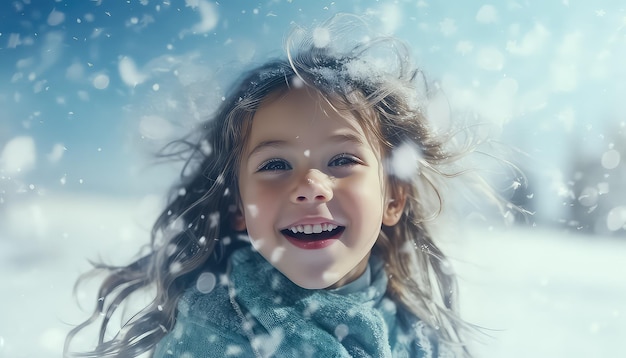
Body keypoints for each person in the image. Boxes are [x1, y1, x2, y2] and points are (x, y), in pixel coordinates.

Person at [65, 14, 506, 358]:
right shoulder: (213, 335)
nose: (311, 185)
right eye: (276, 163)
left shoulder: (417, 338)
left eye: (341, 160)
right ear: (239, 206)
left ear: (393, 199)